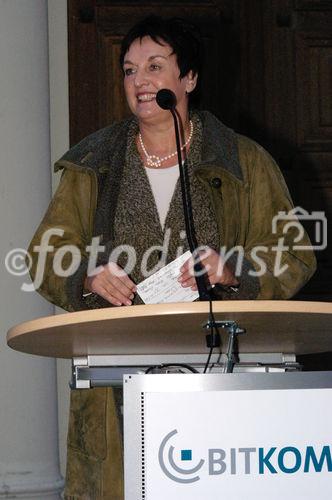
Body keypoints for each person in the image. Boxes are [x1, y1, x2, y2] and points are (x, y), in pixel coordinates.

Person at [27, 15, 316, 500]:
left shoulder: (245, 161)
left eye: (155, 67)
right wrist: (87, 277)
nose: (139, 82)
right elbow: (44, 254)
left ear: (189, 79)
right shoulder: (92, 164)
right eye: (128, 70)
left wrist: (236, 272)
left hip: (221, 375)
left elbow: (294, 254)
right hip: (113, 378)